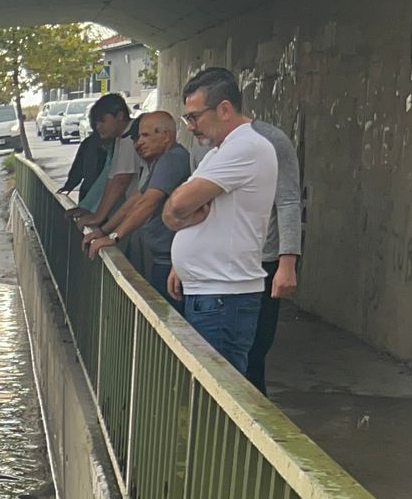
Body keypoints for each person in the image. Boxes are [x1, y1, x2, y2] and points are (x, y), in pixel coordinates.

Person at [164, 67, 279, 379]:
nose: (190, 127)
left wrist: (177, 216)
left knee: (213, 401)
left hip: (223, 298)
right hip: (212, 293)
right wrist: (183, 263)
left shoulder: (245, 148)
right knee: (206, 397)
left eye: (194, 117)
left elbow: (176, 205)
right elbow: (179, 211)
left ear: (224, 109)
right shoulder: (220, 151)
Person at [84, 110, 193, 300]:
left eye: (146, 135)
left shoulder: (172, 159)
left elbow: (148, 203)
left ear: (166, 136)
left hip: (171, 261)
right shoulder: (161, 162)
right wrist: (103, 231)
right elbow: (136, 199)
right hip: (162, 258)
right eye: (138, 137)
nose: (139, 142)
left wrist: (114, 237)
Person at [247, 114, 304, 390]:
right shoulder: (206, 149)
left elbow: (289, 201)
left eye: (196, 116)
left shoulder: (271, 141)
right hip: (222, 263)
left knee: (255, 349)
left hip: (263, 261)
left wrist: (287, 262)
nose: (192, 126)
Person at [73, 93, 139, 228]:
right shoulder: (119, 139)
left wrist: (98, 217)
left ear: (120, 116)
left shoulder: (130, 136)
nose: (98, 127)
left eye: (102, 121)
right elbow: (110, 179)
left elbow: (120, 181)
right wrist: (93, 211)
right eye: (96, 122)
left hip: (142, 214)